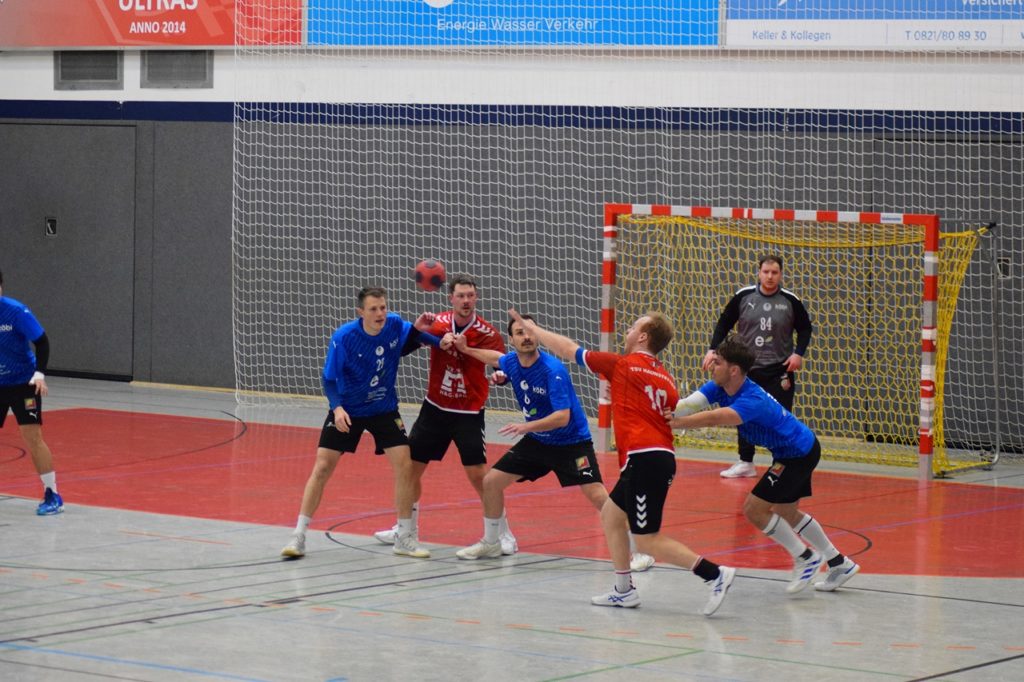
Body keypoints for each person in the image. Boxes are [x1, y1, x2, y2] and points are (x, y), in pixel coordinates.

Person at [508, 308, 736, 616]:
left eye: (632, 327)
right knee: (612, 516)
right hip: (656, 457)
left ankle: (715, 574)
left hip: (645, 459)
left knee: (646, 540)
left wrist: (532, 329)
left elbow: (568, 349)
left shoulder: (623, 364)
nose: (627, 331)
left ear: (643, 337)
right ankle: (624, 590)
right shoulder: (666, 378)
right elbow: (664, 412)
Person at [670, 335, 859, 593]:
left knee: (754, 509)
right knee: (786, 510)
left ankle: (805, 557)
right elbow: (687, 405)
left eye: (718, 362)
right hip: (794, 450)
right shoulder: (718, 386)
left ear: (734, 370)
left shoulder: (752, 400)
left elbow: (715, 418)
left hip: (798, 453)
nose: (711, 366)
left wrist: (676, 424)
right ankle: (839, 563)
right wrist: (661, 409)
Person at [280, 286, 443, 559]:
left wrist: (442, 342)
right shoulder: (344, 337)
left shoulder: (394, 324)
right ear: (361, 312)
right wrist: (337, 409)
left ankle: (404, 537)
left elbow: (416, 336)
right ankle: (298, 536)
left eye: (383, 307)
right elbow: (329, 379)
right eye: (373, 309)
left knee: (405, 465)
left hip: (383, 408)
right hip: (349, 409)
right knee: (322, 466)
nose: (380, 313)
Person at [374, 274, 516, 558]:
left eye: (470, 295)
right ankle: (405, 529)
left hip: (468, 412)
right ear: (451, 298)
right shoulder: (438, 324)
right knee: (411, 470)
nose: (466, 300)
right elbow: (403, 349)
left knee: (479, 477)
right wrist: (419, 330)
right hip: (435, 409)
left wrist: (501, 377)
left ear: (476, 298)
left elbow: (504, 369)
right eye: (461, 295)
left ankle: (504, 534)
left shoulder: (488, 333)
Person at [450, 314, 607, 559]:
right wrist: (467, 349)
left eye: (530, 332)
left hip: (571, 443)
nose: (526, 337)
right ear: (511, 340)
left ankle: (638, 548)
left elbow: (562, 417)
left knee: (597, 495)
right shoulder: (512, 362)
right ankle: (491, 542)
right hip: (539, 441)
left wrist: (525, 427)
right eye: (520, 333)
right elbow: (495, 358)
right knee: (491, 482)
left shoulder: (552, 370)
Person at [703, 255, 812, 479]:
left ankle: (782, 464)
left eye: (774, 272)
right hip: (747, 370)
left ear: (780, 274)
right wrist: (713, 349)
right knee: (742, 414)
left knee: (780, 418)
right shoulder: (744, 296)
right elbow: (724, 322)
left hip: (779, 369)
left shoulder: (790, 300)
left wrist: (798, 353)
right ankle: (746, 462)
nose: (770, 276)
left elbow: (805, 328)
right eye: (766, 272)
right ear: (759, 273)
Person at [0, 270, 63, 515]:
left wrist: (39, 374)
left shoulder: (16, 311)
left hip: (23, 383)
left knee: (32, 437)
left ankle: (52, 494)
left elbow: (42, 342)